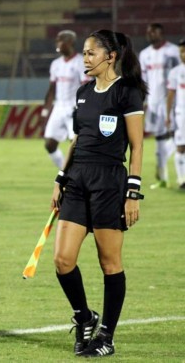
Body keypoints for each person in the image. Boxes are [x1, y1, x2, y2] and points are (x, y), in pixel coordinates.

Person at [51, 30, 146, 357]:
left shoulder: (127, 92)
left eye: (91, 53)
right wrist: (61, 177)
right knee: (63, 260)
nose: (85, 58)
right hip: (77, 180)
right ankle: (85, 317)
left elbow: (136, 146)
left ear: (111, 56)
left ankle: (106, 335)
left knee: (110, 263)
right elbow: (78, 139)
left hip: (110, 183)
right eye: (84, 53)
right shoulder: (83, 92)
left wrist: (132, 192)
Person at [139, 24, 180, 188]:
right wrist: (143, 102)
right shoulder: (144, 54)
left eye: (153, 32)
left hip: (172, 101)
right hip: (154, 103)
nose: (150, 35)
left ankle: (177, 174)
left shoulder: (174, 51)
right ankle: (162, 177)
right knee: (160, 139)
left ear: (161, 33)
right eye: (148, 32)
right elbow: (143, 79)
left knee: (177, 136)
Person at [42, 30, 90, 169]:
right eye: (57, 40)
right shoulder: (55, 64)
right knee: (49, 144)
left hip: (74, 108)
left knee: (75, 145)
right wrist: (45, 112)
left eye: (60, 40)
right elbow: (51, 89)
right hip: (58, 107)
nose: (57, 43)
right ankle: (65, 172)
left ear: (70, 42)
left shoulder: (81, 62)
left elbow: (86, 87)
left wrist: (82, 107)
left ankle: (81, 176)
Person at [166, 38, 185, 190]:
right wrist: (168, 116)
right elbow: (171, 95)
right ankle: (181, 179)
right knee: (181, 147)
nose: (183, 54)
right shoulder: (175, 72)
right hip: (182, 115)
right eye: (181, 52)